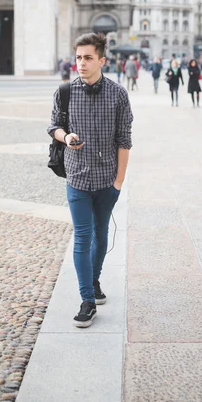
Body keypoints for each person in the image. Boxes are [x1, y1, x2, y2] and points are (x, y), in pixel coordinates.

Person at [47, 32, 133, 328]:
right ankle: (87, 299)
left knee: (101, 235)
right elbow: (54, 127)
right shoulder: (65, 92)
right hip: (77, 179)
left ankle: (94, 282)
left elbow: (124, 140)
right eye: (78, 58)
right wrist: (65, 135)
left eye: (87, 58)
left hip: (107, 180)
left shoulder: (118, 94)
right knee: (83, 237)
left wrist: (118, 183)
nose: (81, 63)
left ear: (101, 60)